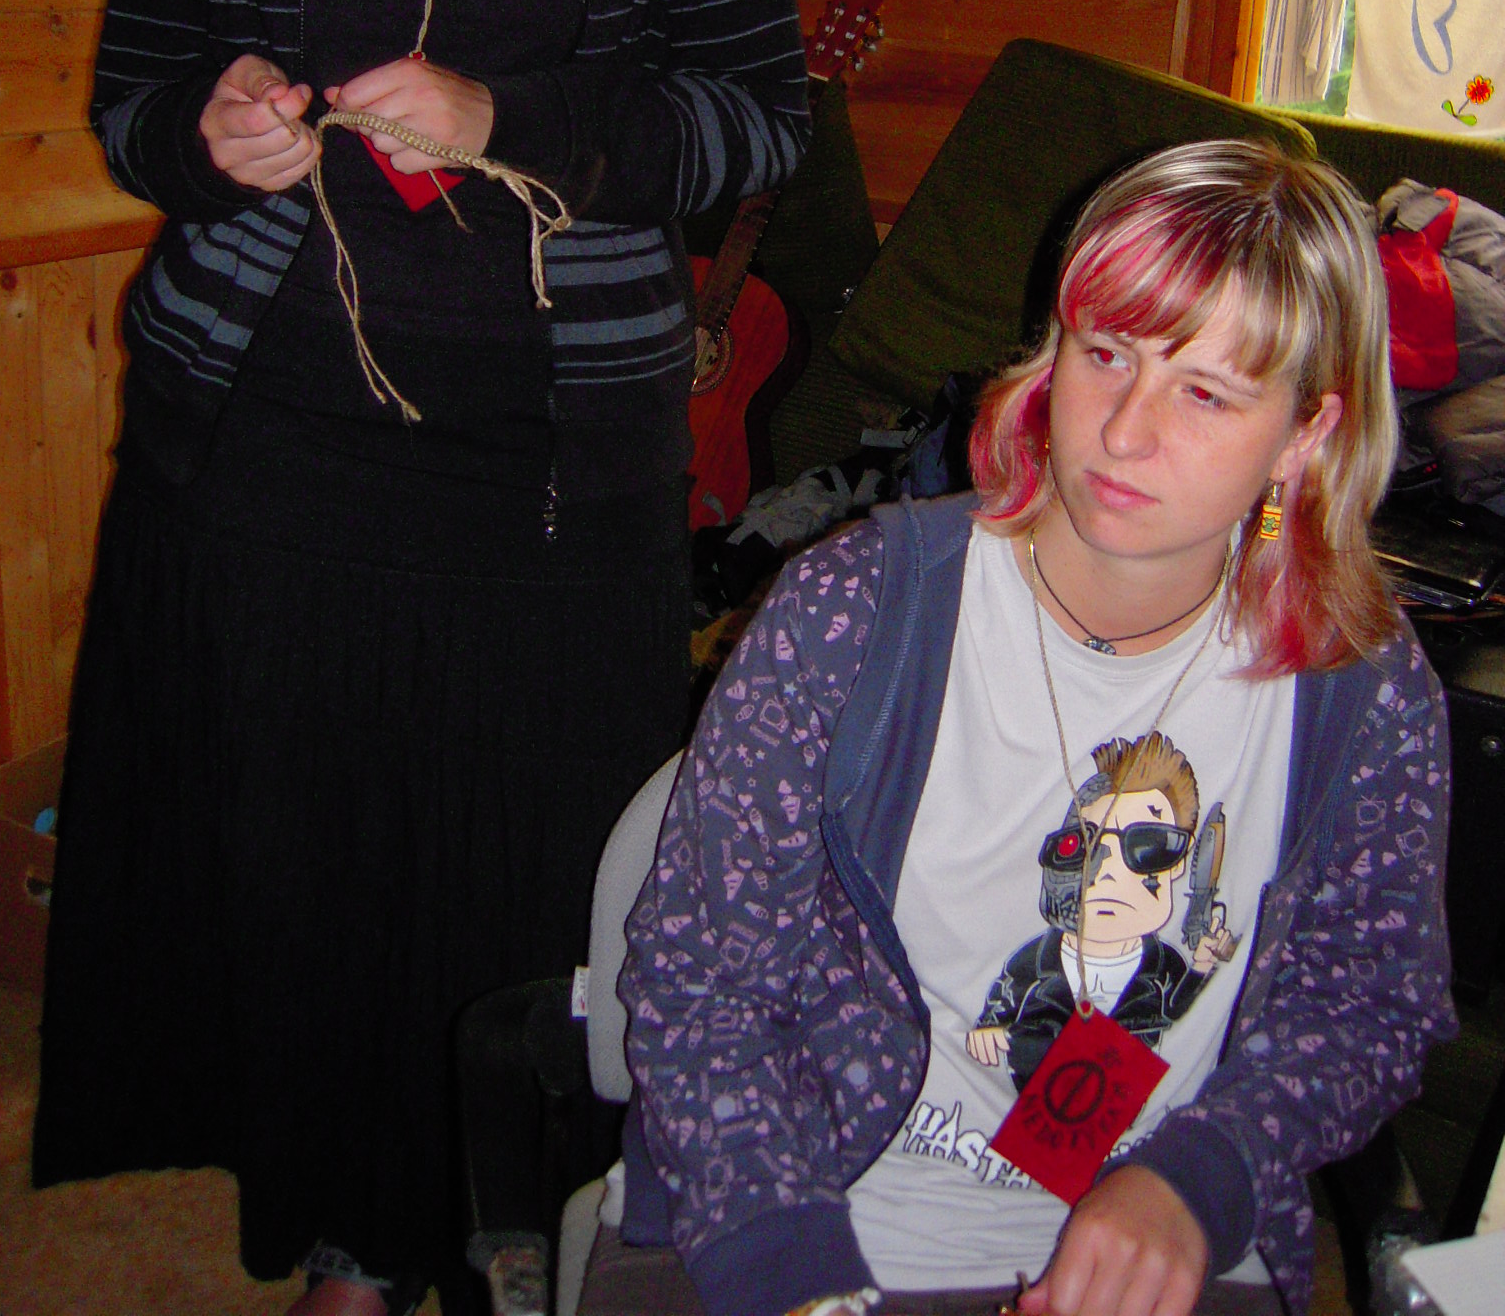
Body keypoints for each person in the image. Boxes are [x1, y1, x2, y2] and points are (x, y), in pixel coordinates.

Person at [31, 0, 810, 1316]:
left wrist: (503, 118)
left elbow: (754, 117)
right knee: (300, 882)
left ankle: (494, 1242)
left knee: (528, 887)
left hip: (557, 472)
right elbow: (132, 98)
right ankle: (347, 1245)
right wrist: (207, 129)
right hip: (272, 446)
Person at [612, 139, 1455, 1316]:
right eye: (1106, 354)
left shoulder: (1357, 683)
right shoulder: (860, 613)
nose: (1124, 431)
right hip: (820, 1221)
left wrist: (1203, 1175)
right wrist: (790, 1269)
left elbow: (1366, 998)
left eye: (1205, 391)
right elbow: (700, 976)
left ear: (1307, 434)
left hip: (1163, 1258)